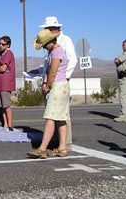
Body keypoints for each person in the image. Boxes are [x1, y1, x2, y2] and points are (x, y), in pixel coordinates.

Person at [27, 29, 70, 159]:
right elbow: (48, 70)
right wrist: (45, 81)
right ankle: (62, 147)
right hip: (61, 86)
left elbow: (53, 71)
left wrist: (48, 84)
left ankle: (42, 148)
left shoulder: (57, 51)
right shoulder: (52, 52)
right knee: (61, 118)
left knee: (50, 117)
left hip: (58, 86)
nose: (44, 47)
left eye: (44, 44)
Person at [39, 16, 77, 151]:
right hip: (51, 81)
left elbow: (72, 60)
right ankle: (55, 141)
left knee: (61, 114)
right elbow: (48, 64)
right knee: (54, 113)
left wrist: (64, 77)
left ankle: (65, 143)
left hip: (59, 82)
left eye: (46, 29)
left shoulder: (65, 41)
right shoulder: (50, 45)